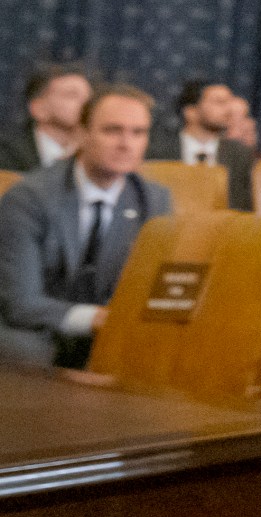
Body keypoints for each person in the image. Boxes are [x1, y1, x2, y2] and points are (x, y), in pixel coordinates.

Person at [0, 84, 172, 366]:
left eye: (138, 132)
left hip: (112, 329)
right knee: (23, 350)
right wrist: (96, 319)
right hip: (39, 327)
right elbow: (21, 303)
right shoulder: (30, 197)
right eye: (112, 131)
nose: (126, 144)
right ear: (81, 134)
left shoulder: (153, 200)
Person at [154, 80, 257, 210]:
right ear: (191, 112)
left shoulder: (240, 155)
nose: (229, 109)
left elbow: (243, 208)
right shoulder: (157, 151)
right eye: (220, 102)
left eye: (229, 102)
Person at [1, 63, 91, 173]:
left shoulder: (96, 155)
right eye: (71, 95)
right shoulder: (7, 153)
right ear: (38, 108)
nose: (86, 103)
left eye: (89, 97)